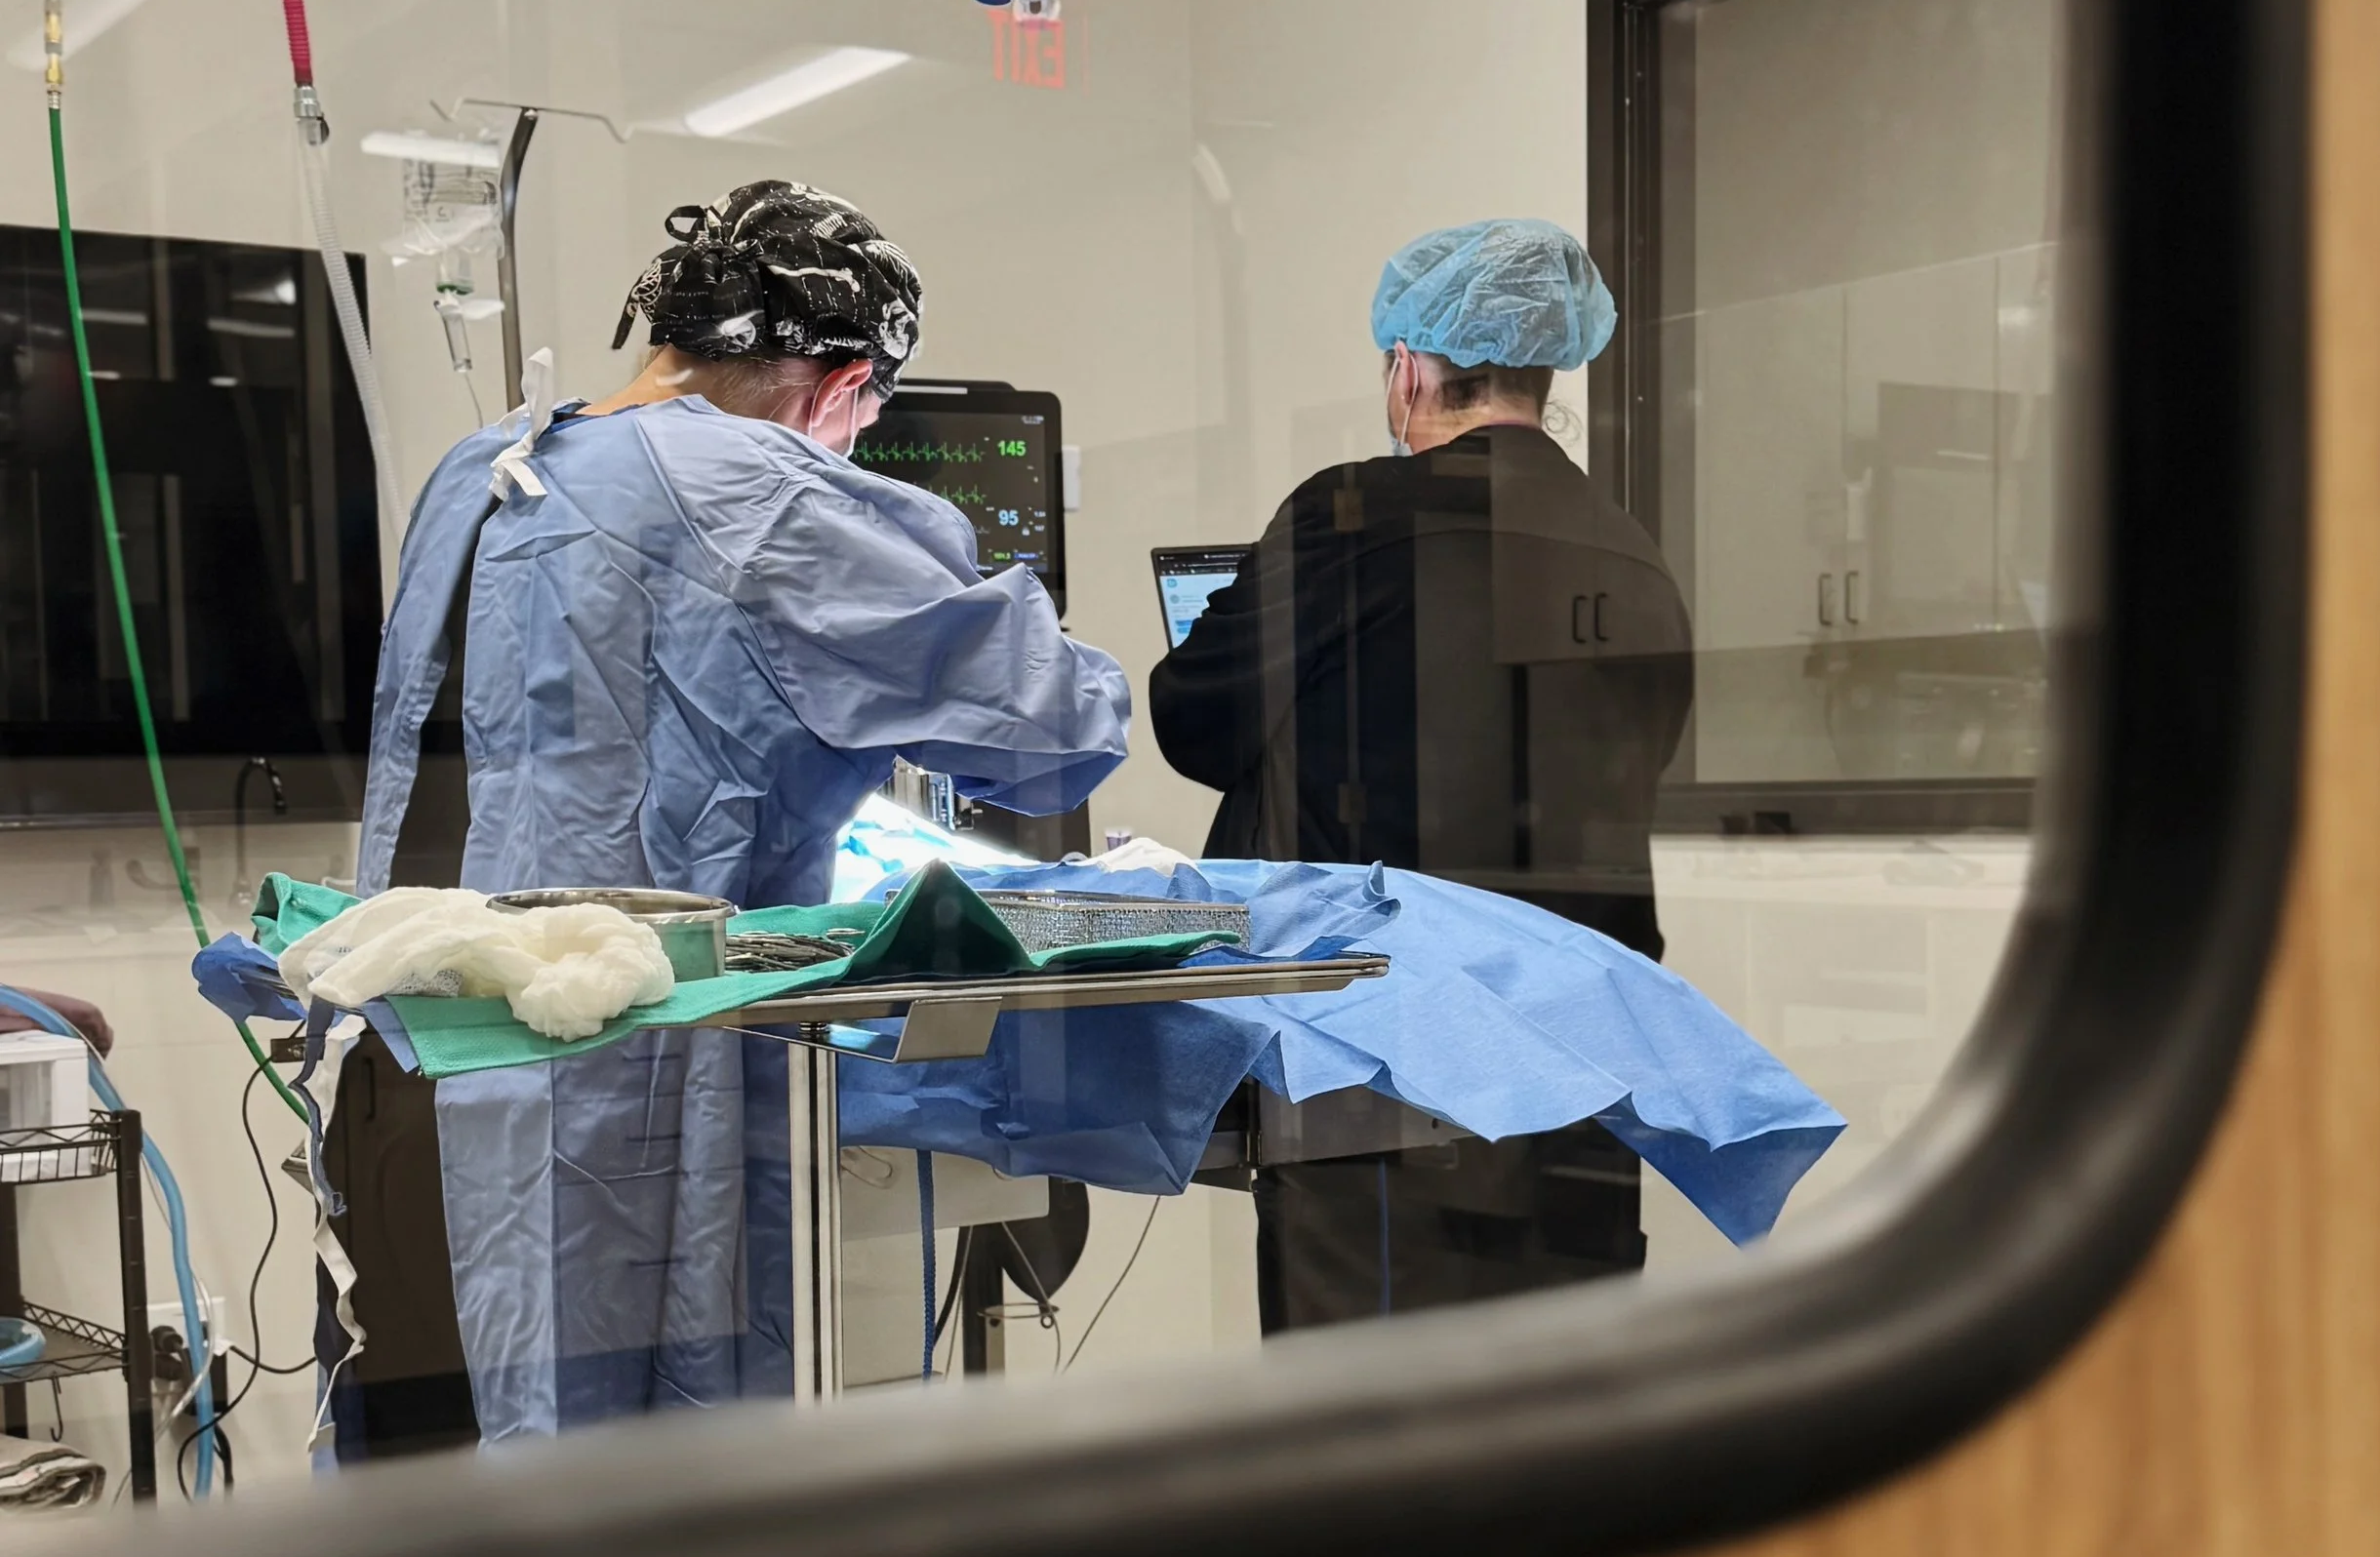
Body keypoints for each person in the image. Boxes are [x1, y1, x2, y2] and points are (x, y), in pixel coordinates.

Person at [334, 180, 1129, 1444]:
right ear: (844, 382)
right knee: (634, 1531)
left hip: (412, 1057)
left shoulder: (483, 466)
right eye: (865, 416)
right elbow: (1049, 733)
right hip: (620, 1094)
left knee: (437, 1497)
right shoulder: (762, 486)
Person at [1150, 216, 1690, 1332]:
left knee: (1371, 1433)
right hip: (1584, 1061)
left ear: (1408, 368)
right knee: (1562, 1404)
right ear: (1546, 370)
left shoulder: (1351, 514)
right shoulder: (1632, 553)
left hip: (1384, 1071)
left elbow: (1194, 721)